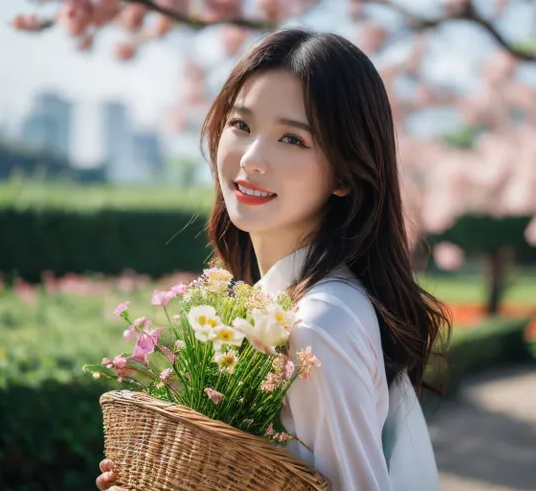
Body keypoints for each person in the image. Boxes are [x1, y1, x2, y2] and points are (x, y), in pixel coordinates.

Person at [97, 27, 451, 491]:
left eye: (293, 140)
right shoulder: (280, 301)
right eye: (241, 126)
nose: (251, 160)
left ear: (346, 173)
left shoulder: (319, 324)